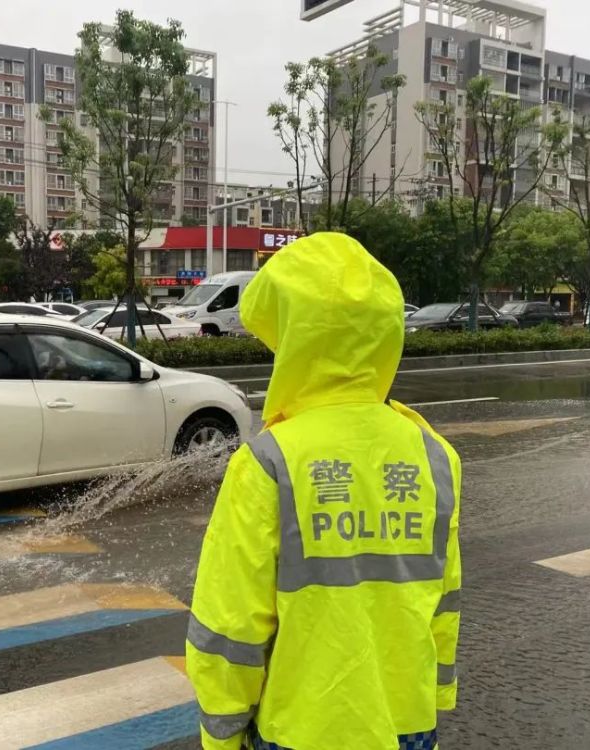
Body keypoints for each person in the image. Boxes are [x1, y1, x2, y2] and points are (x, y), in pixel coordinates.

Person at [186, 233, 462, 750]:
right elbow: (442, 602)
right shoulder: (434, 456)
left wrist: (220, 736)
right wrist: (436, 694)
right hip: (408, 722)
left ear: (296, 341)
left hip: (301, 729)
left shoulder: (270, 462)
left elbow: (231, 626)